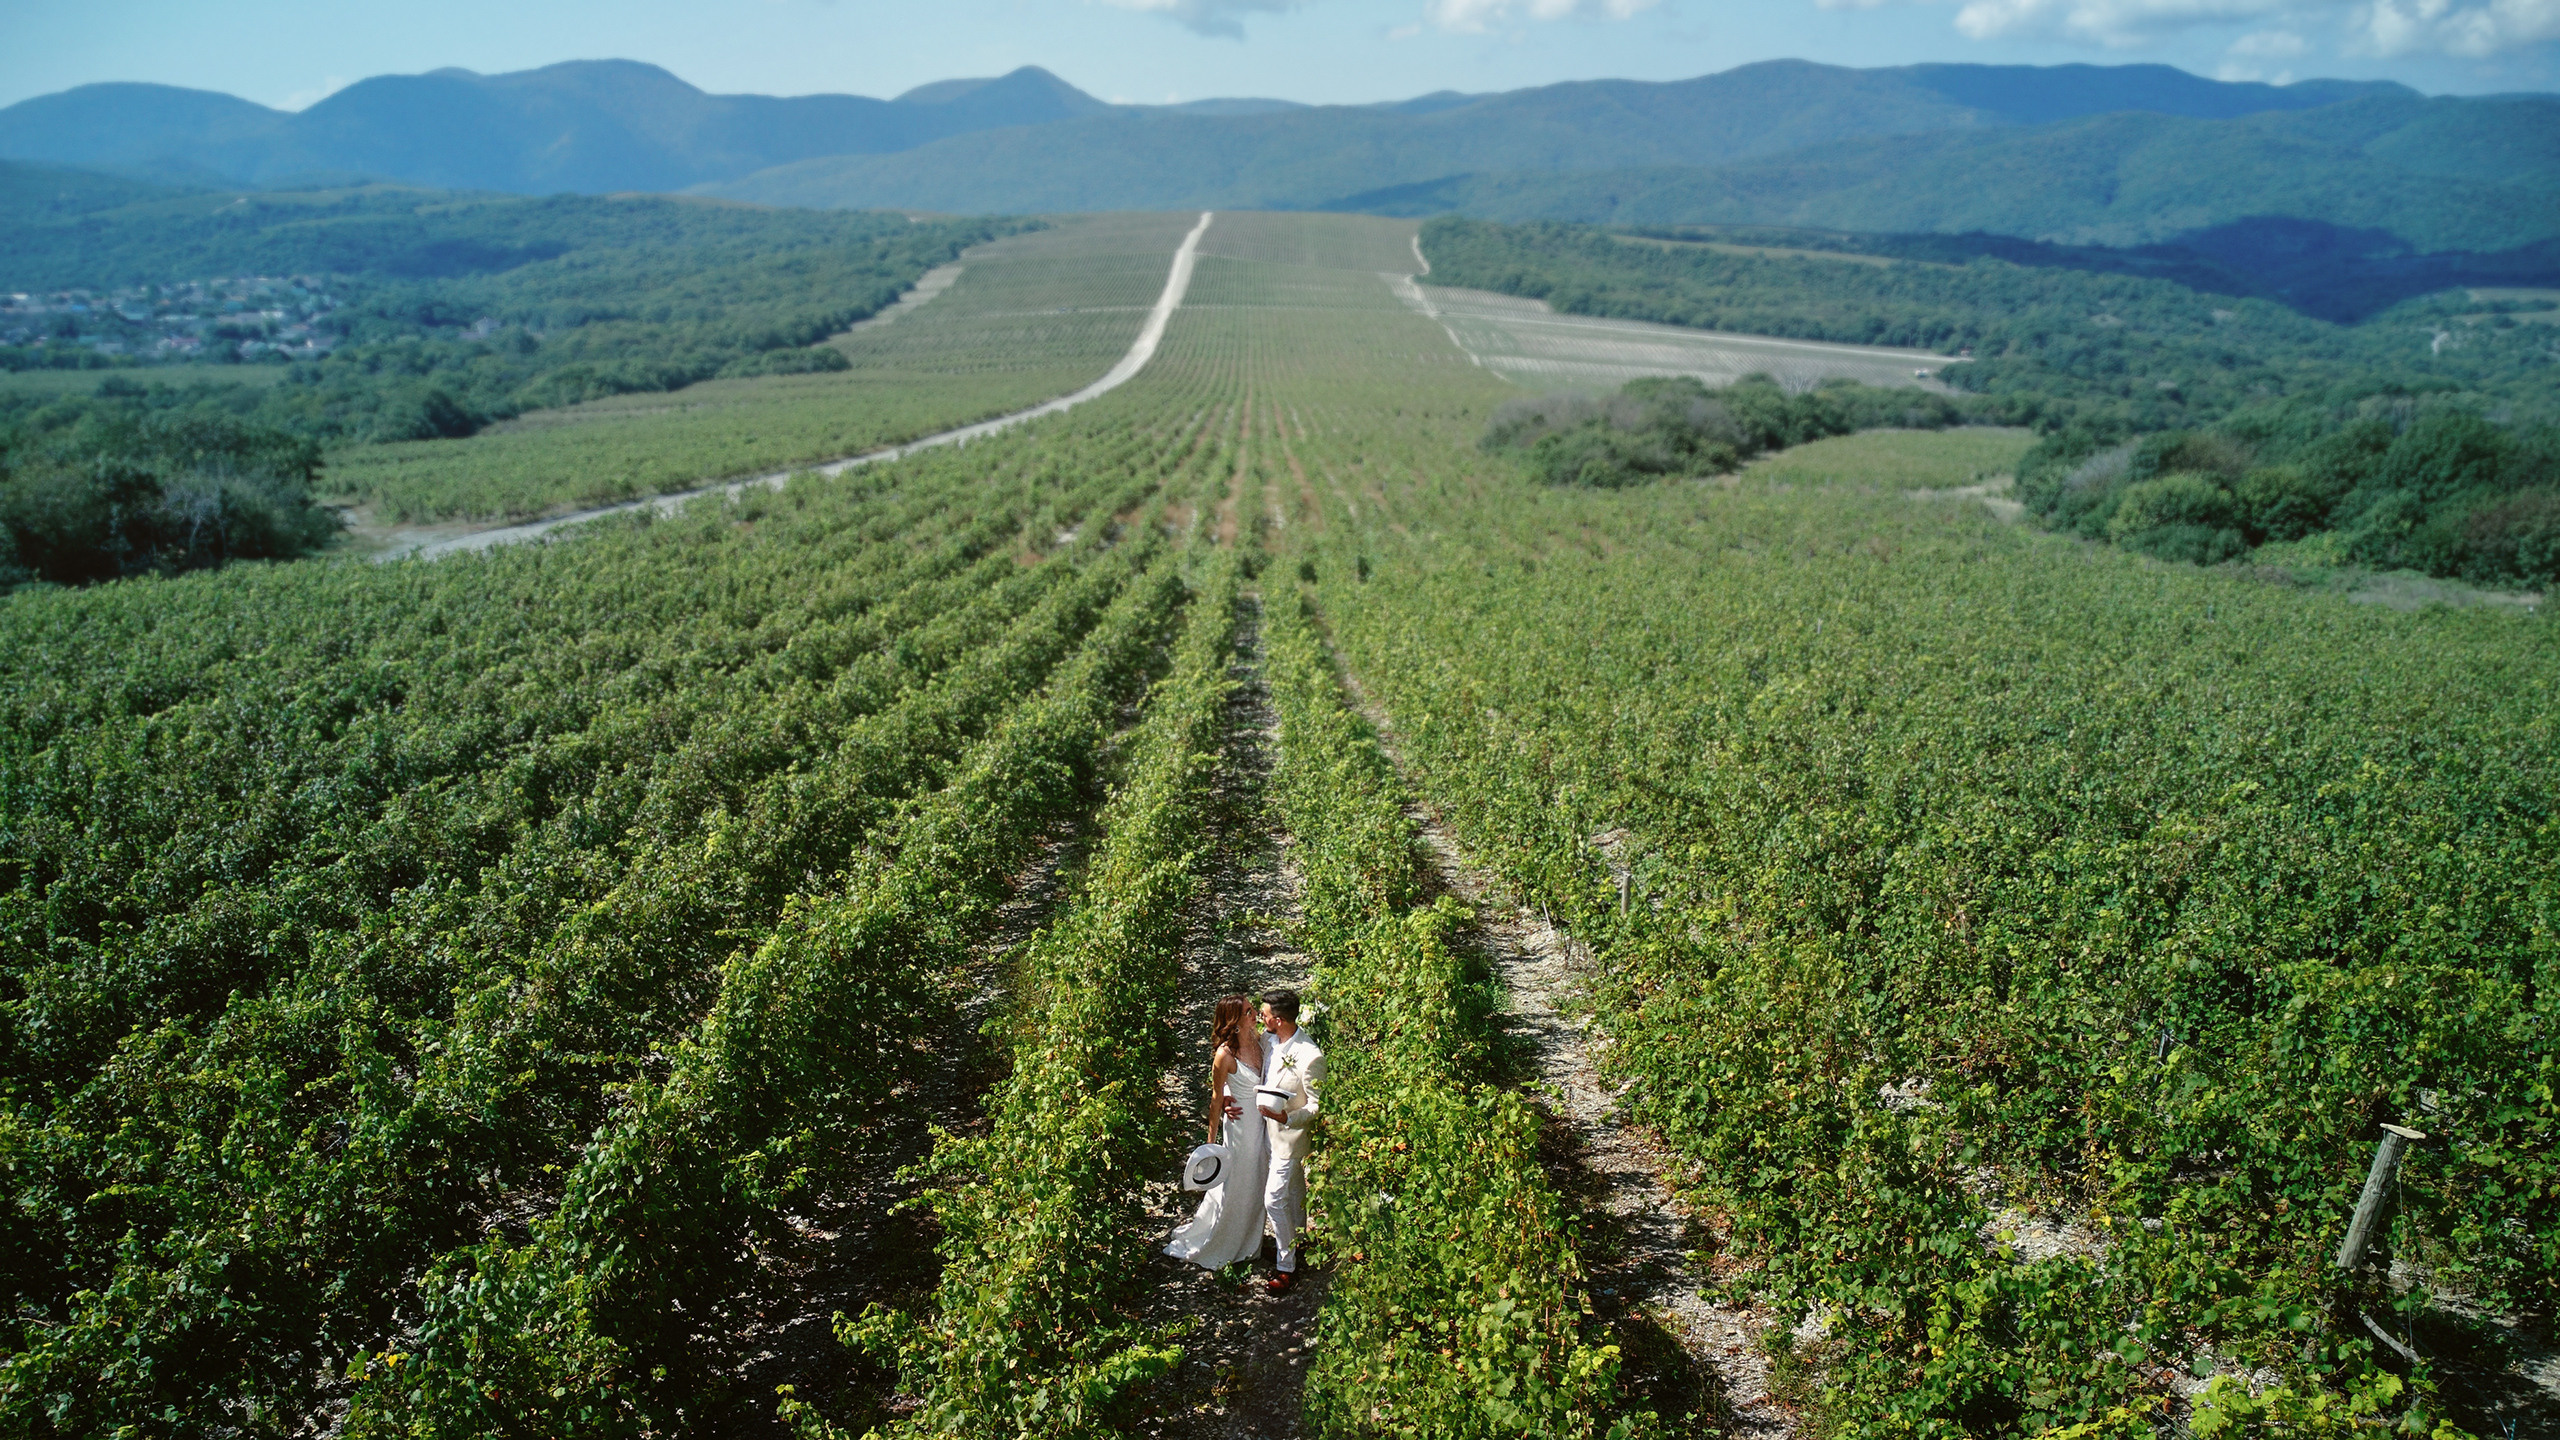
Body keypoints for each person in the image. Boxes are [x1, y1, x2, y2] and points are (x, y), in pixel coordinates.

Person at [1164, 996, 1269, 1271]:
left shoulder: (1259, 1039)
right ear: (1233, 1022)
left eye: (1252, 1008)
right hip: (1241, 1128)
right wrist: (1210, 1146)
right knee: (1240, 1182)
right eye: (1248, 1011)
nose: (1254, 1013)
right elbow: (1214, 1095)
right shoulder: (1225, 1054)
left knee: (1258, 1180)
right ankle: (1226, 1241)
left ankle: (1250, 1240)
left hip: (1264, 1125)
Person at [1256, 989, 1323, 1294]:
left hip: (1289, 1138)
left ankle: (1287, 1267)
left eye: (1265, 1014)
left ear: (1279, 1020)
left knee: (1274, 1199)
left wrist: (1288, 1119)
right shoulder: (1270, 1040)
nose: (1261, 1017)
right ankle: (1299, 1245)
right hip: (1266, 1134)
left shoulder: (1310, 1056)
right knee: (1295, 1194)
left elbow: (1316, 1105)